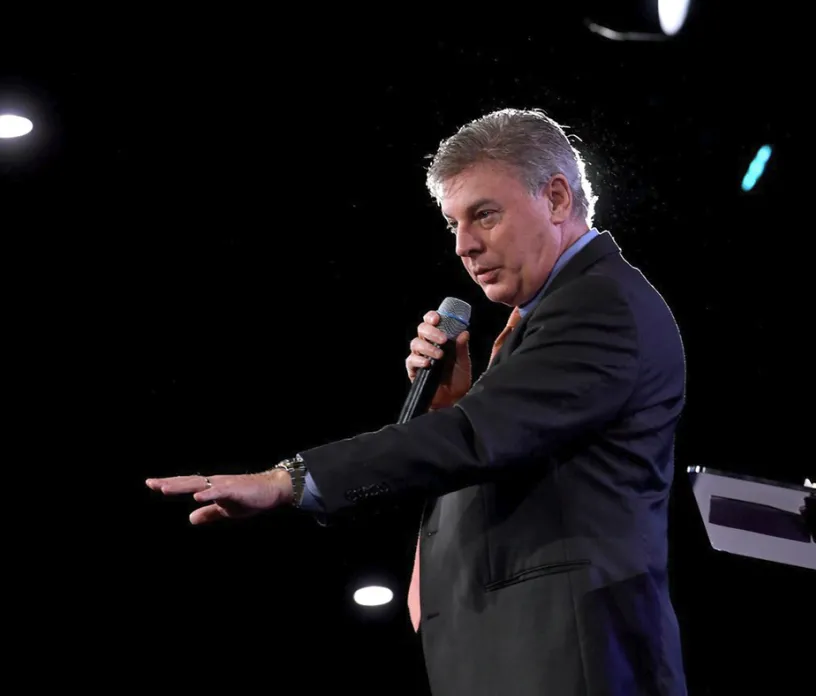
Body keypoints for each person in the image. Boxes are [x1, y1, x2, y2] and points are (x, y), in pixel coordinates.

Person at [146, 108, 689, 696]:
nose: (464, 245)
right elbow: (503, 449)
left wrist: (287, 480)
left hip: (571, 657)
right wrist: (453, 403)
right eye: (454, 223)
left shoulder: (600, 303)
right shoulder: (557, 312)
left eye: (484, 214)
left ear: (556, 198)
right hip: (521, 653)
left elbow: (476, 438)